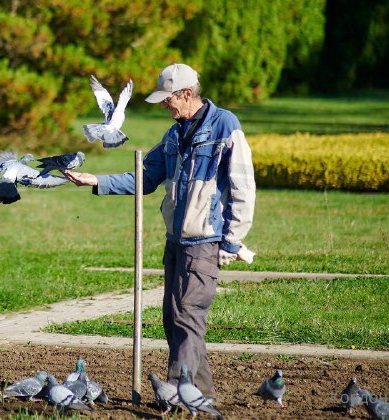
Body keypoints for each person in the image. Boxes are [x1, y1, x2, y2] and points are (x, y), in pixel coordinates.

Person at [65, 63, 256, 403]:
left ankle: (177, 397)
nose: (164, 106)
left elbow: (243, 187)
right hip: (176, 242)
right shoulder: (174, 134)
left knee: (187, 316)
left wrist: (232, 240)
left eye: (167, 99)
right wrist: (97, 181)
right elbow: (145, 176)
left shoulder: (225, 125)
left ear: (186, 94)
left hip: (205, 241)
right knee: (174, 320)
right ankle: (200, 397)